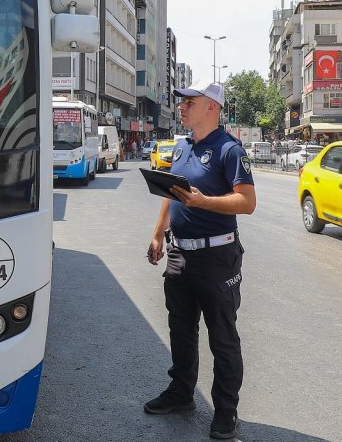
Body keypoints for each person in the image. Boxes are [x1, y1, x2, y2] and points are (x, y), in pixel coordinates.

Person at [144, 81, 256, 441]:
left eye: (188, 102)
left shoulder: (230, 150)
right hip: (179, 254)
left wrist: (202, 201)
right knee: (180, 328)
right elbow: (171, 193)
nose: (181, 107)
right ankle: (181, 393)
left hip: (216, 256)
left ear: (211, 107)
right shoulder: (181, 147)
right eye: (182, 102)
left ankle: (226, 411)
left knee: (222, 336)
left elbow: (247, 203)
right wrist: (159, 233)